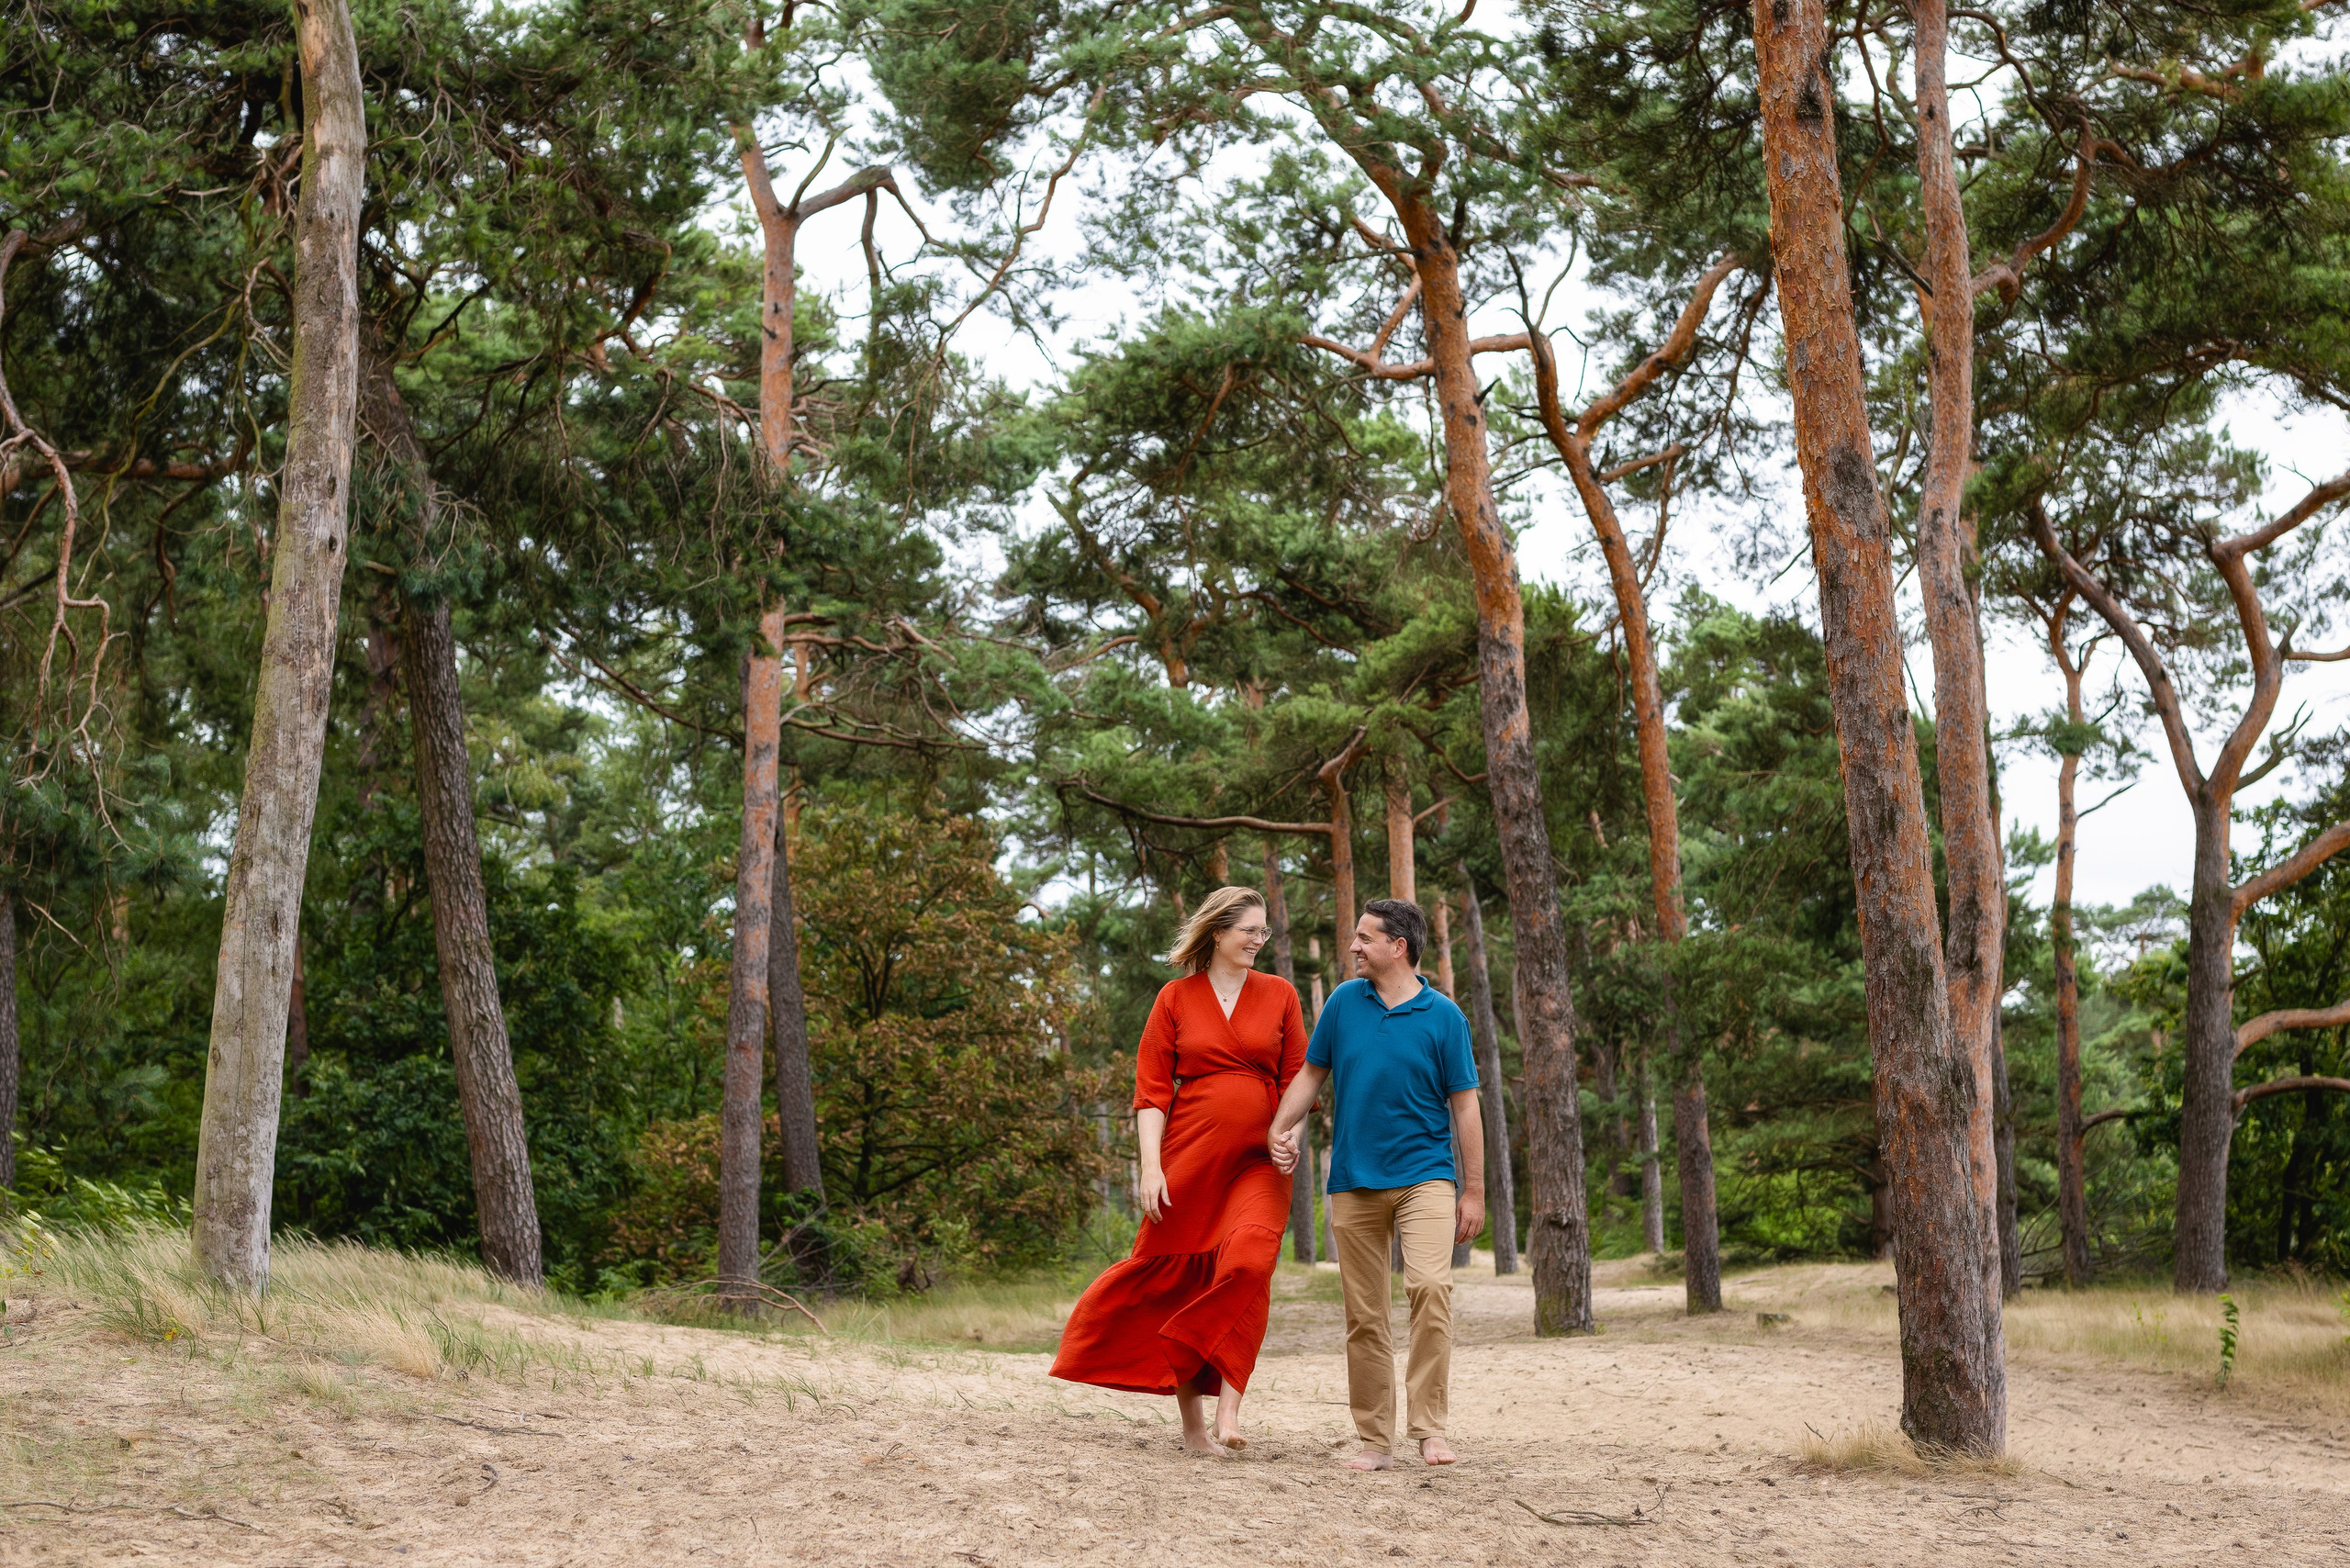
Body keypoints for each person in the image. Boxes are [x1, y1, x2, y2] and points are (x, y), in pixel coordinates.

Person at [1051, 886, 1308, 1452]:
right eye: (1250, 930)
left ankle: (1231, 1410)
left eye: (1265, 932)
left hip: (1260, 1161)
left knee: (1249, 1263)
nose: (1259, 941)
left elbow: (1300, 1079)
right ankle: (1195, 1427)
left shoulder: (1281, 994)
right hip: (1187, 1157)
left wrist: (1289, 1135)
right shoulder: (1175, 998)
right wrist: (1150, 1167)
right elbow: (1151, 1093)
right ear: (1218, 931)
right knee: (1182, 1276)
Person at [1270, 898, 1484, 1470]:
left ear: (1400, 948)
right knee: (1365, 1314)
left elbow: (1465, 1108)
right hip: (1354, 1181)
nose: (1354, 946)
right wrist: (1279, 1127)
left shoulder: (1445, 1017)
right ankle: (1374, 1440)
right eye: (1354, 937)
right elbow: (1312, 1074)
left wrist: (1475, 1190)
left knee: (1432, 1291)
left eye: (1365, 938)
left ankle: (1430, 1428)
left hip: (1426, 1178)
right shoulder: (1343, 1003)